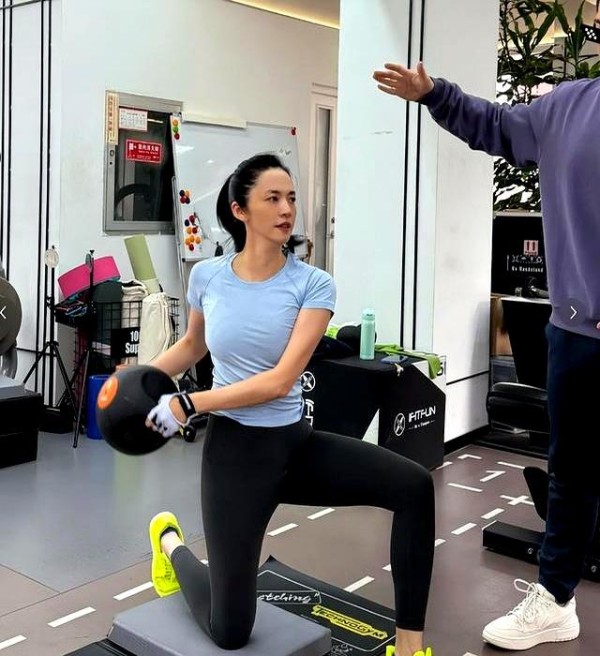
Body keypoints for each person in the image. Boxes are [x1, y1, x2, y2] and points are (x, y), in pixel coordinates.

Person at [144, 153, 435, 656]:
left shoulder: (313, 284)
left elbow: (280, 382)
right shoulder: (207, 277)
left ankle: (410, 645)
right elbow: (192, 345)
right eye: (273, 198)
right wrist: (140, 379)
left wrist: (190, 403)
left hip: (293, 447)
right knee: (230, 632)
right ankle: (171, 546)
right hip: (234, 459)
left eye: (292, 198)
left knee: (415, 486)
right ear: (240, 210)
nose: (287, 209)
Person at [373, 49, 600, 652]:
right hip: (579, 333)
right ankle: (555, 600)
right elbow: (496, 125)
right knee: (574, 475)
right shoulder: (567, 107)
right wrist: (435, 94)